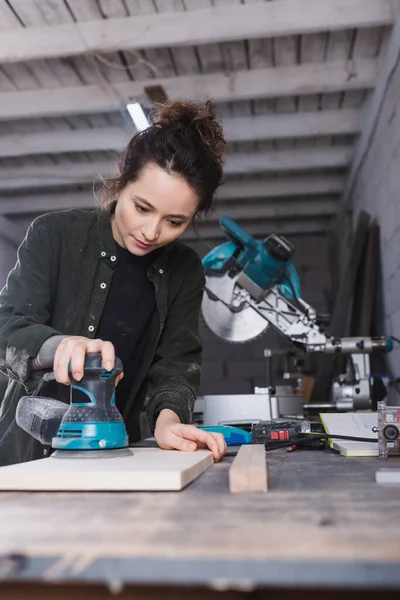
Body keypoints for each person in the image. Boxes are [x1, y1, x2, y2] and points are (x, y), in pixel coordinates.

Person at [0, 100, 228, 466]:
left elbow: (176, 366)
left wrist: (169, 423)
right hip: (26, 458)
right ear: (121, 181)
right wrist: (57, 346)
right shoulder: (53, 235)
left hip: (117, 457)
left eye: (175, 221)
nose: (151, 232)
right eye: (142, 207)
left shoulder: (184, 269)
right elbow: (5, 326)